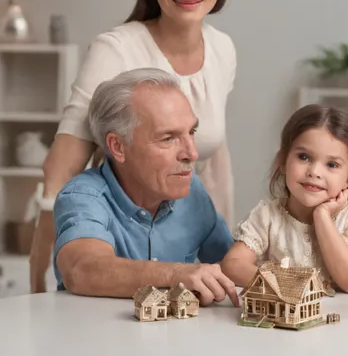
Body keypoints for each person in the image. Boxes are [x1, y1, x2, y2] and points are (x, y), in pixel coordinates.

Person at [30, 0, 236, 293]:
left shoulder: (223, 50)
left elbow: (214, 156)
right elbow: (61, 173)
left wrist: (221, 241)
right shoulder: (115, 51)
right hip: (117, 234)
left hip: (181, 216)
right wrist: (43, 273)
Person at [54, 68, 238, 306]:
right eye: (168, 138)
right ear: (118, 147)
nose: (192, 153)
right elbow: (83, 269)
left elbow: (231, 264)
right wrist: (174, 274)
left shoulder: (192, 190)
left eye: (191, 132)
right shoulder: (83, 196)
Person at [221, 104, 348, 294]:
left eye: (331, 164)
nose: (314, 172)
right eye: (304, 157)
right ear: (283, 162)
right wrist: (283, 286)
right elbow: (232, 264)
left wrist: (322, 218)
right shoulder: (267, 216)